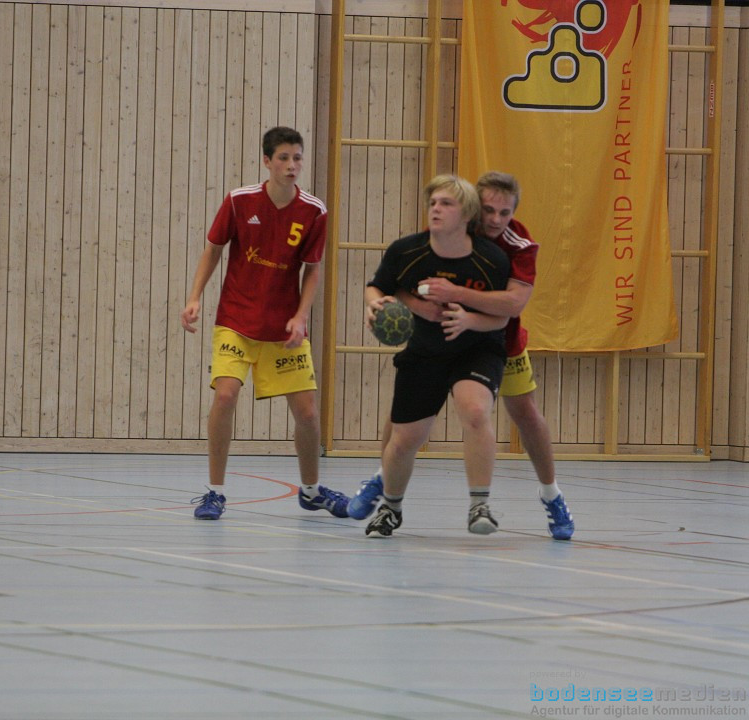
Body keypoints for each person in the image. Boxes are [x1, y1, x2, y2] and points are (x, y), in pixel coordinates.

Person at [347, 172, 575, 540]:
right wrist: (410, 305)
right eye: (488, 210)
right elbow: (396, 283)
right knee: (404, 420)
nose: (495, 220)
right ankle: (384, 484)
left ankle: (552, 495)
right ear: (472, 209)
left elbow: (514, 303)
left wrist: (460, 301)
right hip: (433, 343)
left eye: (504, 212)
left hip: (498, 339)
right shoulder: (431, 238)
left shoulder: (511, 246)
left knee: (522, 416)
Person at [180, 126, 348, 520]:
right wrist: (194, 298)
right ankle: (215, 492)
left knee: (307, 414)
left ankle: (310, 491)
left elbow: (313, 270)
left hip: (282, 329)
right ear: (267, 161)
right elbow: (214, 250)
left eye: (298, 158)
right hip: (236, 319)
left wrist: (301, 316)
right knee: (225, 396)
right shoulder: (240, 202)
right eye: (285, 158)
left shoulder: (314, 211)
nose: (293, 166)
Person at [357, 174, 512, 538]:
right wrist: (375, 304)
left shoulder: (491, 260)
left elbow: (503, 315)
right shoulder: (406, 251)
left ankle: (480, 505)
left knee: (474, 410)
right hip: (424, 352)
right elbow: (378, 285)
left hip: (476, 349)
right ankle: (391, 507)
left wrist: (469, 319)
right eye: (433, 203)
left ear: (466, 214)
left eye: (446, 204)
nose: (436, 209)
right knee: (405, 439)